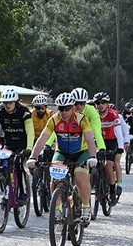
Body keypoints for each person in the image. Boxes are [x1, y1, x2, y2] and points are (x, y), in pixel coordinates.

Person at [29, 92, 100, 225]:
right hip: (61, 152)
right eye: (61, 108)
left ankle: (85, 207)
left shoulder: (82, 119)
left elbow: (90, 140)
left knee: (80, 178)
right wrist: (33, 157)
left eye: (67, 108)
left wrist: (92, 156)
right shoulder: (54, 120)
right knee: (56, 179)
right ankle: (58, 209)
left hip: (81, 152)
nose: (64, 111)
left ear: (73, 108)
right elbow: (41, 140)